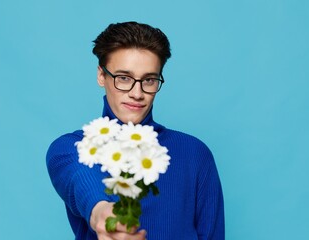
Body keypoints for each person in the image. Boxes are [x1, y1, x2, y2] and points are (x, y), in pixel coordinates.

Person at [46, 21, 224, 240]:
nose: (137, 93)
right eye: (124, 78)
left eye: (149, 80)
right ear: (102, 76)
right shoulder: (72, 148)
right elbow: (79, 178)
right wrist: (101, 211)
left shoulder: (195, 153)